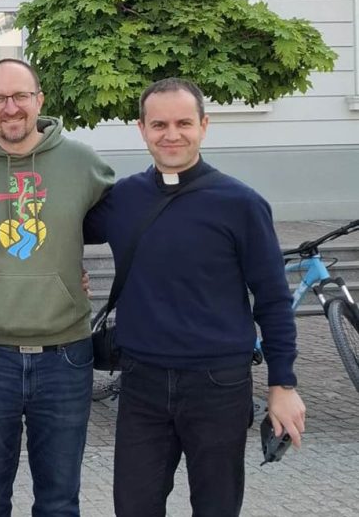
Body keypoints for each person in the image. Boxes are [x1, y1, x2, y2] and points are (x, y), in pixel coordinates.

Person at [83, 78, 306, 516]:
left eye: (183, 123)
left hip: (218, 383)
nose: (172, 134)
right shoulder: (122, 198)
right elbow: (59, 227)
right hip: (141, 381)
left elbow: (273, 299)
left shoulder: (241, 204)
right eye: (159, 124)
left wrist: (283, 385)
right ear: (141, 129)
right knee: (133, 507)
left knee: (216, 507)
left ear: (204, 125)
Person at [0, 58, 114, 516]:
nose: (11, 107)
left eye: (20, 95)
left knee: (59, 502)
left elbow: (130, 222)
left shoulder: (84, 165)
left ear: (40, 99)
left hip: (65, 356)